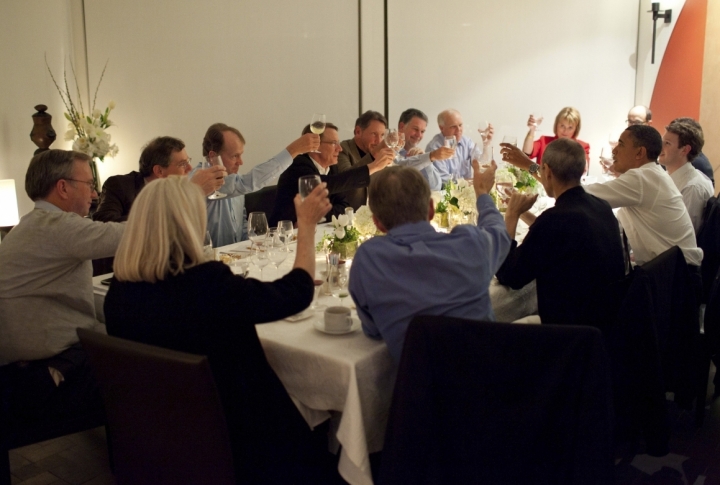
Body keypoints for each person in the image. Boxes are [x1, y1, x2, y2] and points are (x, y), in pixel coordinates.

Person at [104, 175, 341, 484]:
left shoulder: (118, 294)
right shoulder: (206, 285)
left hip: (158, 436)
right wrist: (306, 226)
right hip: (240, 439)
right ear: (190, 223)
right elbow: (295, 295)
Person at [0, 149, 124, 420]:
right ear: (63, 188)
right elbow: (129, 235)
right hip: (35, 380)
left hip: (19, 367)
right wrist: (186, 196)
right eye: (90, 185)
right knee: (143, 366)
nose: (94, 194)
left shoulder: (30, 224)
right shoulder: (57, 226)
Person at [349, 163, 511, 362]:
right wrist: (482, 193)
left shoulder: (369, 260)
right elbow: (500, 233)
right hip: (490, 384)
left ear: (377, 223)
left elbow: (373, 330)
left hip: (423, 390)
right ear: (431, 209)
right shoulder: (471, 244)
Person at [506, 125, 701, 267]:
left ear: (639, 152)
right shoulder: (650, 175)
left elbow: (570, 192)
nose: (614, 150)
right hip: (672, 271)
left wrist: (528, 165)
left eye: (621, 145)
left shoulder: (643, 178)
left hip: (676, 280)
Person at [496, 139, 625, 327]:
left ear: (546, 171)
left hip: (567, 335)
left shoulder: (554, 220)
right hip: (606, 326)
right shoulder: (601, 207)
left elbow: (509, 275)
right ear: (582, 171)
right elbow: (561, 237)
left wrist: (512, 216)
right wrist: (523, 213)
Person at [197, 123, 319, 246]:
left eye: (241, 154)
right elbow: (248, 182)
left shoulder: (233, 177)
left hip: (234, 258)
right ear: (213, 157)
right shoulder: (199, 181)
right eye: (235, 156)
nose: (241, 162)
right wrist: (294, 150)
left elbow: (242, 225)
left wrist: (258, 244)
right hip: (208, 260)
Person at [270, 122, 391, 225]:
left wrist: (319, 216)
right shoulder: (298, 165)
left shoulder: (332, 168)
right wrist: (372, 167)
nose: (340, 148)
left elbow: (343, 206)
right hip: (281, 238)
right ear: (315, 145)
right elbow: (325, 185)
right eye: (334, 143)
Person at [93, 136, 226, 222]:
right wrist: (190, 193)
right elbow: (104, 225)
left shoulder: (176, 190)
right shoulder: (119, 186)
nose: (190, 169)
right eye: (182, 164)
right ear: (159, 171)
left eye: (188, 161)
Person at [626, 107, 713, 183]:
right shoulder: (671, 166)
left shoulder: (698, 167)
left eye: (667, 143)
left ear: (685, 149)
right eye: (630, 121)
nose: (632, 126)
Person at [658, 118, 713, 233]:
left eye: (667, 143)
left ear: (684, 150)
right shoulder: (667, 175)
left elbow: (685, 236)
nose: (660, 147)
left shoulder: (692, 187)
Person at [335, 111, 395, 210]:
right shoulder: (342, 149)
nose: (379, 141)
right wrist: (373, 156)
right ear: (358, 132)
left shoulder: (381, 155)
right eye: (374, 134)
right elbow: (344, 180)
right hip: (348, 216)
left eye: (382, 135)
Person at [424, 109, 492, 185]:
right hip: (447, 195)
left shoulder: (466, 141)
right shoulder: (434, 148)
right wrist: (473, 182)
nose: (459, 130)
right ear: (441, 128)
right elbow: (445, 183)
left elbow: (481, 166)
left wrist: (486, 144)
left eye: (460, 125)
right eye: (453, 127)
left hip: (467, 191)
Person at [395, 108, 456, 191]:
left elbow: (435, 186)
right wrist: (430, 157)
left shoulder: (421, 154)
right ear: (401, 127)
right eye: (415, 129)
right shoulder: (391, 152)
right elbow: (400, 170)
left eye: (422, 131)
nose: (419, 135)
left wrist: (425, 159)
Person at [523, 107, 590, 171]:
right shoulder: (544, 141)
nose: (565, 131)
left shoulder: (582, 147)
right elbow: (526, 153)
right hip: (543, 182)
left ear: (576, 129)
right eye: (562, 126)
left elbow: (583, 169)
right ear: (556, 125)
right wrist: (532, 129)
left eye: (570, 128)